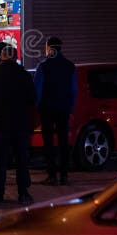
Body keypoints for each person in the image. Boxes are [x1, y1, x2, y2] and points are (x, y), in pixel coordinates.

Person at [0, 44, 36, 205]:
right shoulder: (24, 74)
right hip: (20, 123)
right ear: (15, 56)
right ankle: (23, 193)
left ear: (2, 56)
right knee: (21, 160)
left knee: (0, 161)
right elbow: (32, 99)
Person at [34, 36, 77, 186]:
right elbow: (74, 89)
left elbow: (37, 89)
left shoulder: (43, 66)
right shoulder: (70, 66)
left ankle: (52, 174)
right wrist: (71, 108)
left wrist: (37, 106)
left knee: (48, 142)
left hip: (47, 108)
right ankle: (64, 174)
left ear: (49, 48)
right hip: (63, 108)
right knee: (63, 141)